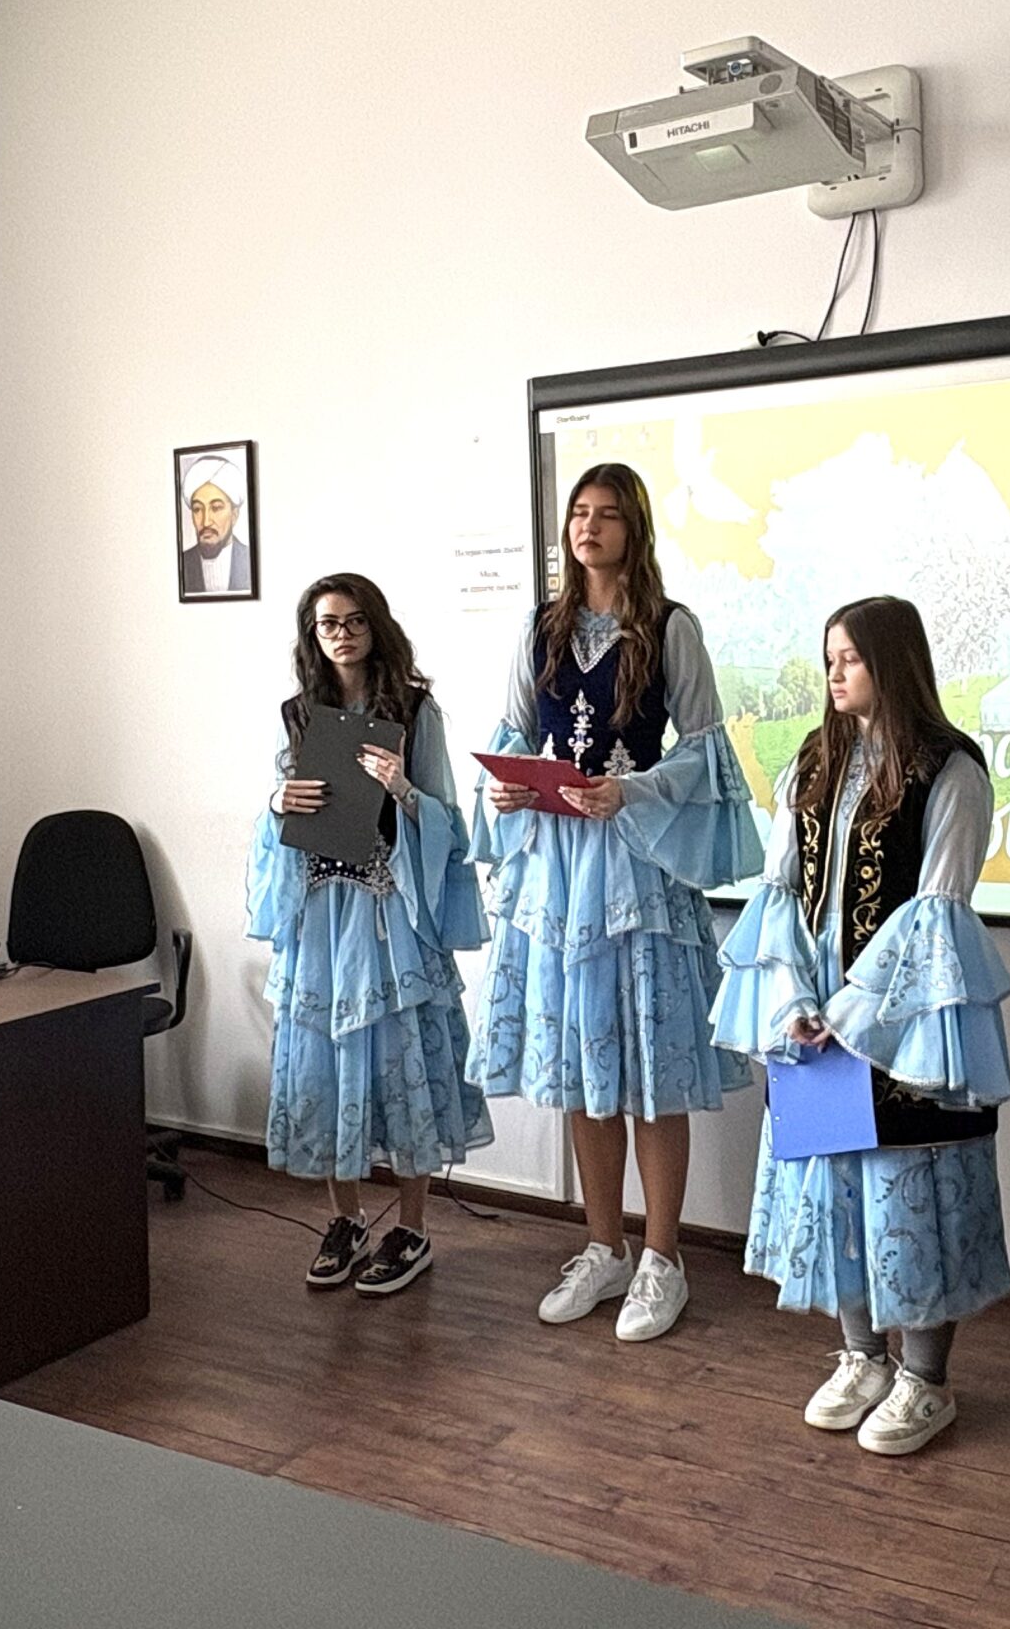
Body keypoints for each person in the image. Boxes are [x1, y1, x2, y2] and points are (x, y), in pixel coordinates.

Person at [712, 597, 1010, 1455]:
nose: (835, 673)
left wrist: (849, 1012)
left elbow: (939, 906)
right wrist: (794, 1002)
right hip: (814, 1012)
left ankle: (925, 1377)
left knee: (910, 1188)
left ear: (894, 661)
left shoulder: (950, 768)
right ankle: (861, 1356)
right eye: (829, 658)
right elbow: (782, 887)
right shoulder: (815, 759)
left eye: (850, 657)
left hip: (906, 1017)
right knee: (836, 1183)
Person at [470, 461, 763, 1340]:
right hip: (559, 869)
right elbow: (515, 732)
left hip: (635, 865)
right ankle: (603, 1246)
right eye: (578, 513)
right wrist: (507, 788)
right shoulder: (540, 627)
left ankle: (663, 1258)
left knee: (651, 1067)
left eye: (605, 514)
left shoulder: (670, 627)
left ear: (634, 528)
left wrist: (629, 791)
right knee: (581, 1066)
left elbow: (706, 751)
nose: (587, 527)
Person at [249, 573, 491, 1294]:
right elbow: (275, 817)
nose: (343, 634)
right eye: (328, 623)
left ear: (375, 626)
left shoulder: (414, 710)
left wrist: (403, 791)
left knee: (401, 1057)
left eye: (355, 621)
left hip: (389, 912)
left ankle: (412, 1227)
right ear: (312, 635)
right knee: (325, 1062)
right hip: (322, 912)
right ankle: (345, 1217)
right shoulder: (298, 714)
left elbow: (448, 821)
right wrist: (277, 801)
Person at [180, 453, 252, 595]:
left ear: (234, 515)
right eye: (197, 509)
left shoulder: (248, 558)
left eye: (216, 508)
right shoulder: (182, 563)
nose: (206, 521)